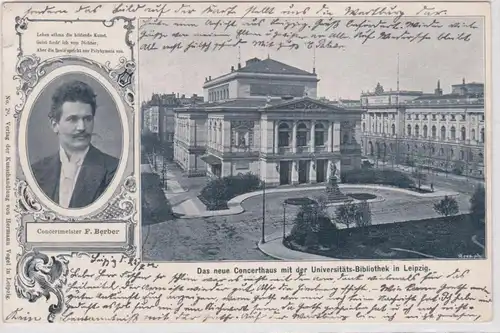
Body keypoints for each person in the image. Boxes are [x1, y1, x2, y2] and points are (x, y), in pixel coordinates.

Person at [31, 80, 119, 209]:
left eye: (87, 119)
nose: (82, 127)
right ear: (55, 124)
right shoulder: (36, 172)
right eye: (72, 119)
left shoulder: (113, 170)